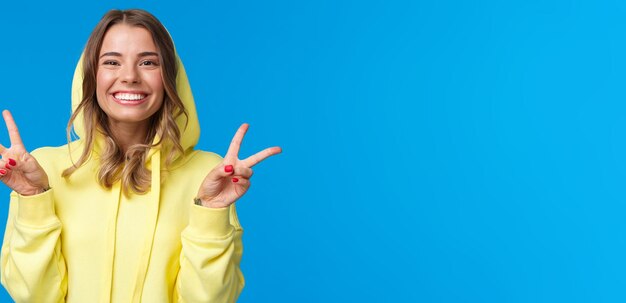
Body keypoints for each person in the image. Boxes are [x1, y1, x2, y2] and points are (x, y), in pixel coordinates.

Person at [0, 9, 280, 302]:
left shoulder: (208, 175)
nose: (130, 76)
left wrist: (209, 211)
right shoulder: (44, 169)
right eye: (111, 62)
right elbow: (33, 296)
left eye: (148, 62)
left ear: (169, 77)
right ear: (91, 75)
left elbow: (209, 299)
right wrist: (34, 199)